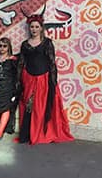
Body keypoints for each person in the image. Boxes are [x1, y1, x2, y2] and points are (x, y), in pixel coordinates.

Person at [16, 13, 74, 144]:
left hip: (44, 78)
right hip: (29, 78)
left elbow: (52, 62)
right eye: (32, 27)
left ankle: (41, 132)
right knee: (29, 106)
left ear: (41, 28)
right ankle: (27, 134)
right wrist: (19, 80)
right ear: (29, 28)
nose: (34, 29)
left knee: (42, 107)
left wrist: (53, 81)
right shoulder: (25, 44)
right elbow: (21, 63)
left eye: (37, 27)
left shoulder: (47, 43)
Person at [0, 38, 18, 142]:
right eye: (0, 46)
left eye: (4, 46)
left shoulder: (13, 60)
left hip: (8, 88)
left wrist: (15, 91)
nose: (2, 48)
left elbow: (16, 76)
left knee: (5, 109)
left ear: (9, 47)